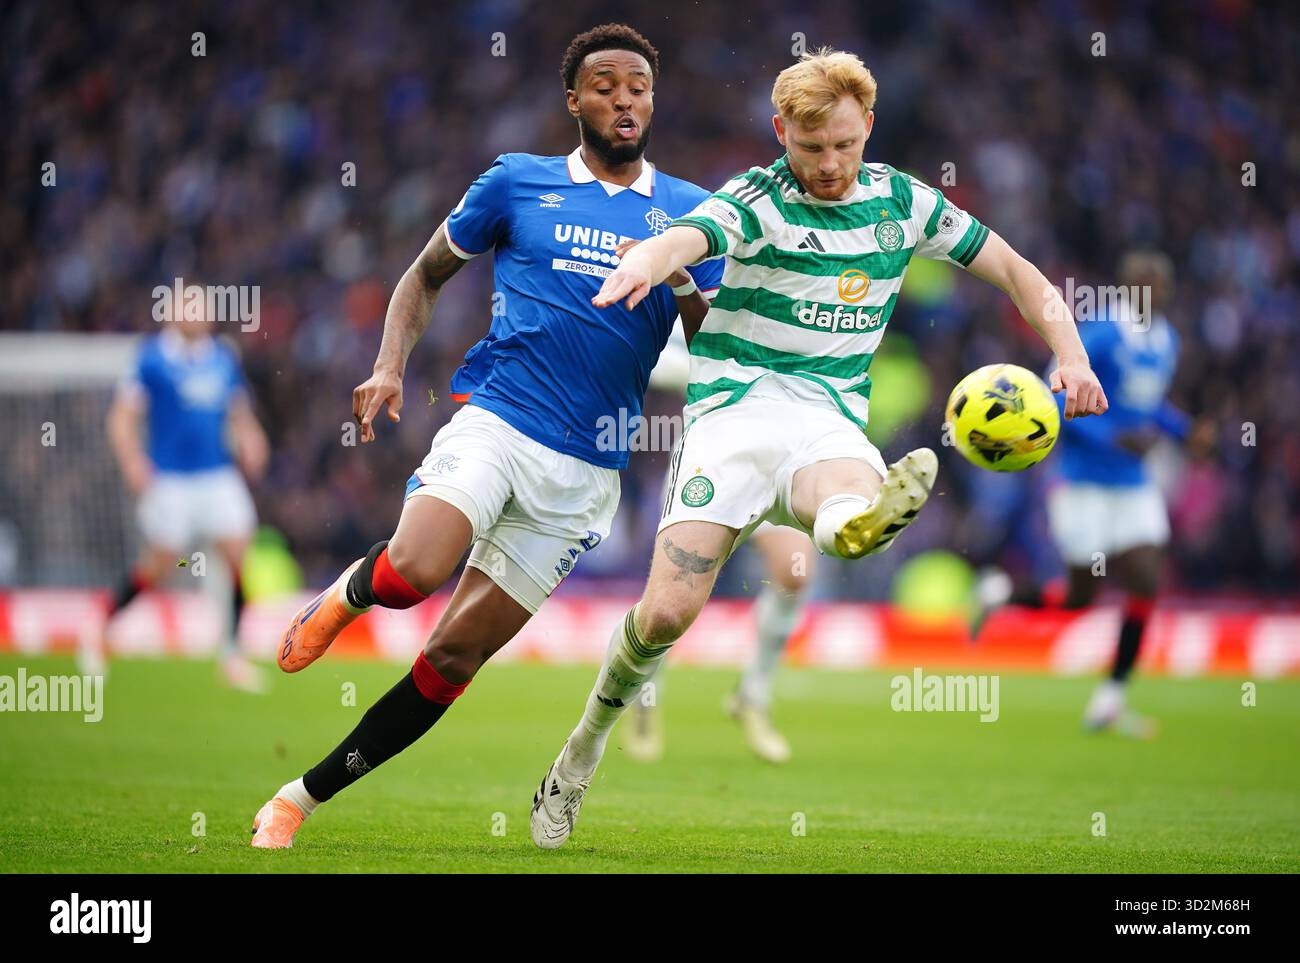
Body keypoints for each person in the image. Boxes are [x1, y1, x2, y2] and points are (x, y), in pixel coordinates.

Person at [531, 48, 1108, 849]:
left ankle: (857, 521)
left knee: (839, 506)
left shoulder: (905, 202)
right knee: (665, 613)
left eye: (844, 144)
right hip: (734, 413)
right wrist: (646, 258)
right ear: (781, 134)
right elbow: (692, 237)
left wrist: (1071, 356)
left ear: (867, 125)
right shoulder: (758, 198)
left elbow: (1017, 271)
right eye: (811, 149)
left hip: (826, 414)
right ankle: (583, 746)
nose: (831, 164)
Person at [250, 23, 724, 849]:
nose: (625, 99)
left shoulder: (689, 212)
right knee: (416, 572)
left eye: (639, 87)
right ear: (574, 99)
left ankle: (298, 797)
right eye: (607, 85)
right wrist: (391, 365)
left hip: (586, 472)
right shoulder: (518, 183)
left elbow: (714, 340)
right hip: (500, 419)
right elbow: (425, 272)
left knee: (453, 661)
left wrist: (679, 269)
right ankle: (350, 594)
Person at [977, 250, 1190, 737]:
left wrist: (1185, 430)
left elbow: (1148, 406)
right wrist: (1112, 437)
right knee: (1080, 597)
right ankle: (1004, 592)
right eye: (1142, 281)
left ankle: (1111, 697)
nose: (1151, 289)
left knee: (1146, 576)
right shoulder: (1096, 334)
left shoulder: (1166, 341)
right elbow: (1052, 396)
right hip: (1082, 481)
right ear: (1126, 285)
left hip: (1133, 483)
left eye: (1158, 282)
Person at [625, 320, 813, 764]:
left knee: (794, 572)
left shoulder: (787, 278)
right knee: (676, 591)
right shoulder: (697, 275)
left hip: (776, 455)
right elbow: (653, 358)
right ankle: (644, 697)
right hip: (712, 457)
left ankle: (753, 695)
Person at [104, 303, 268, 691]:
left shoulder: (222, 357)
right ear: (173, 313)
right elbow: (122, 415)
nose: (199, 315)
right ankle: (103, 624)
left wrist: (251, 439)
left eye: (204, 307)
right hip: (171, 479)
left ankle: (231, 654)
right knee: (161, 562)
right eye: (190, 307)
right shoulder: (152, 359)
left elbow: (237, 410)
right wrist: (132, 461)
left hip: (216, 475)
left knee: (237, 554)